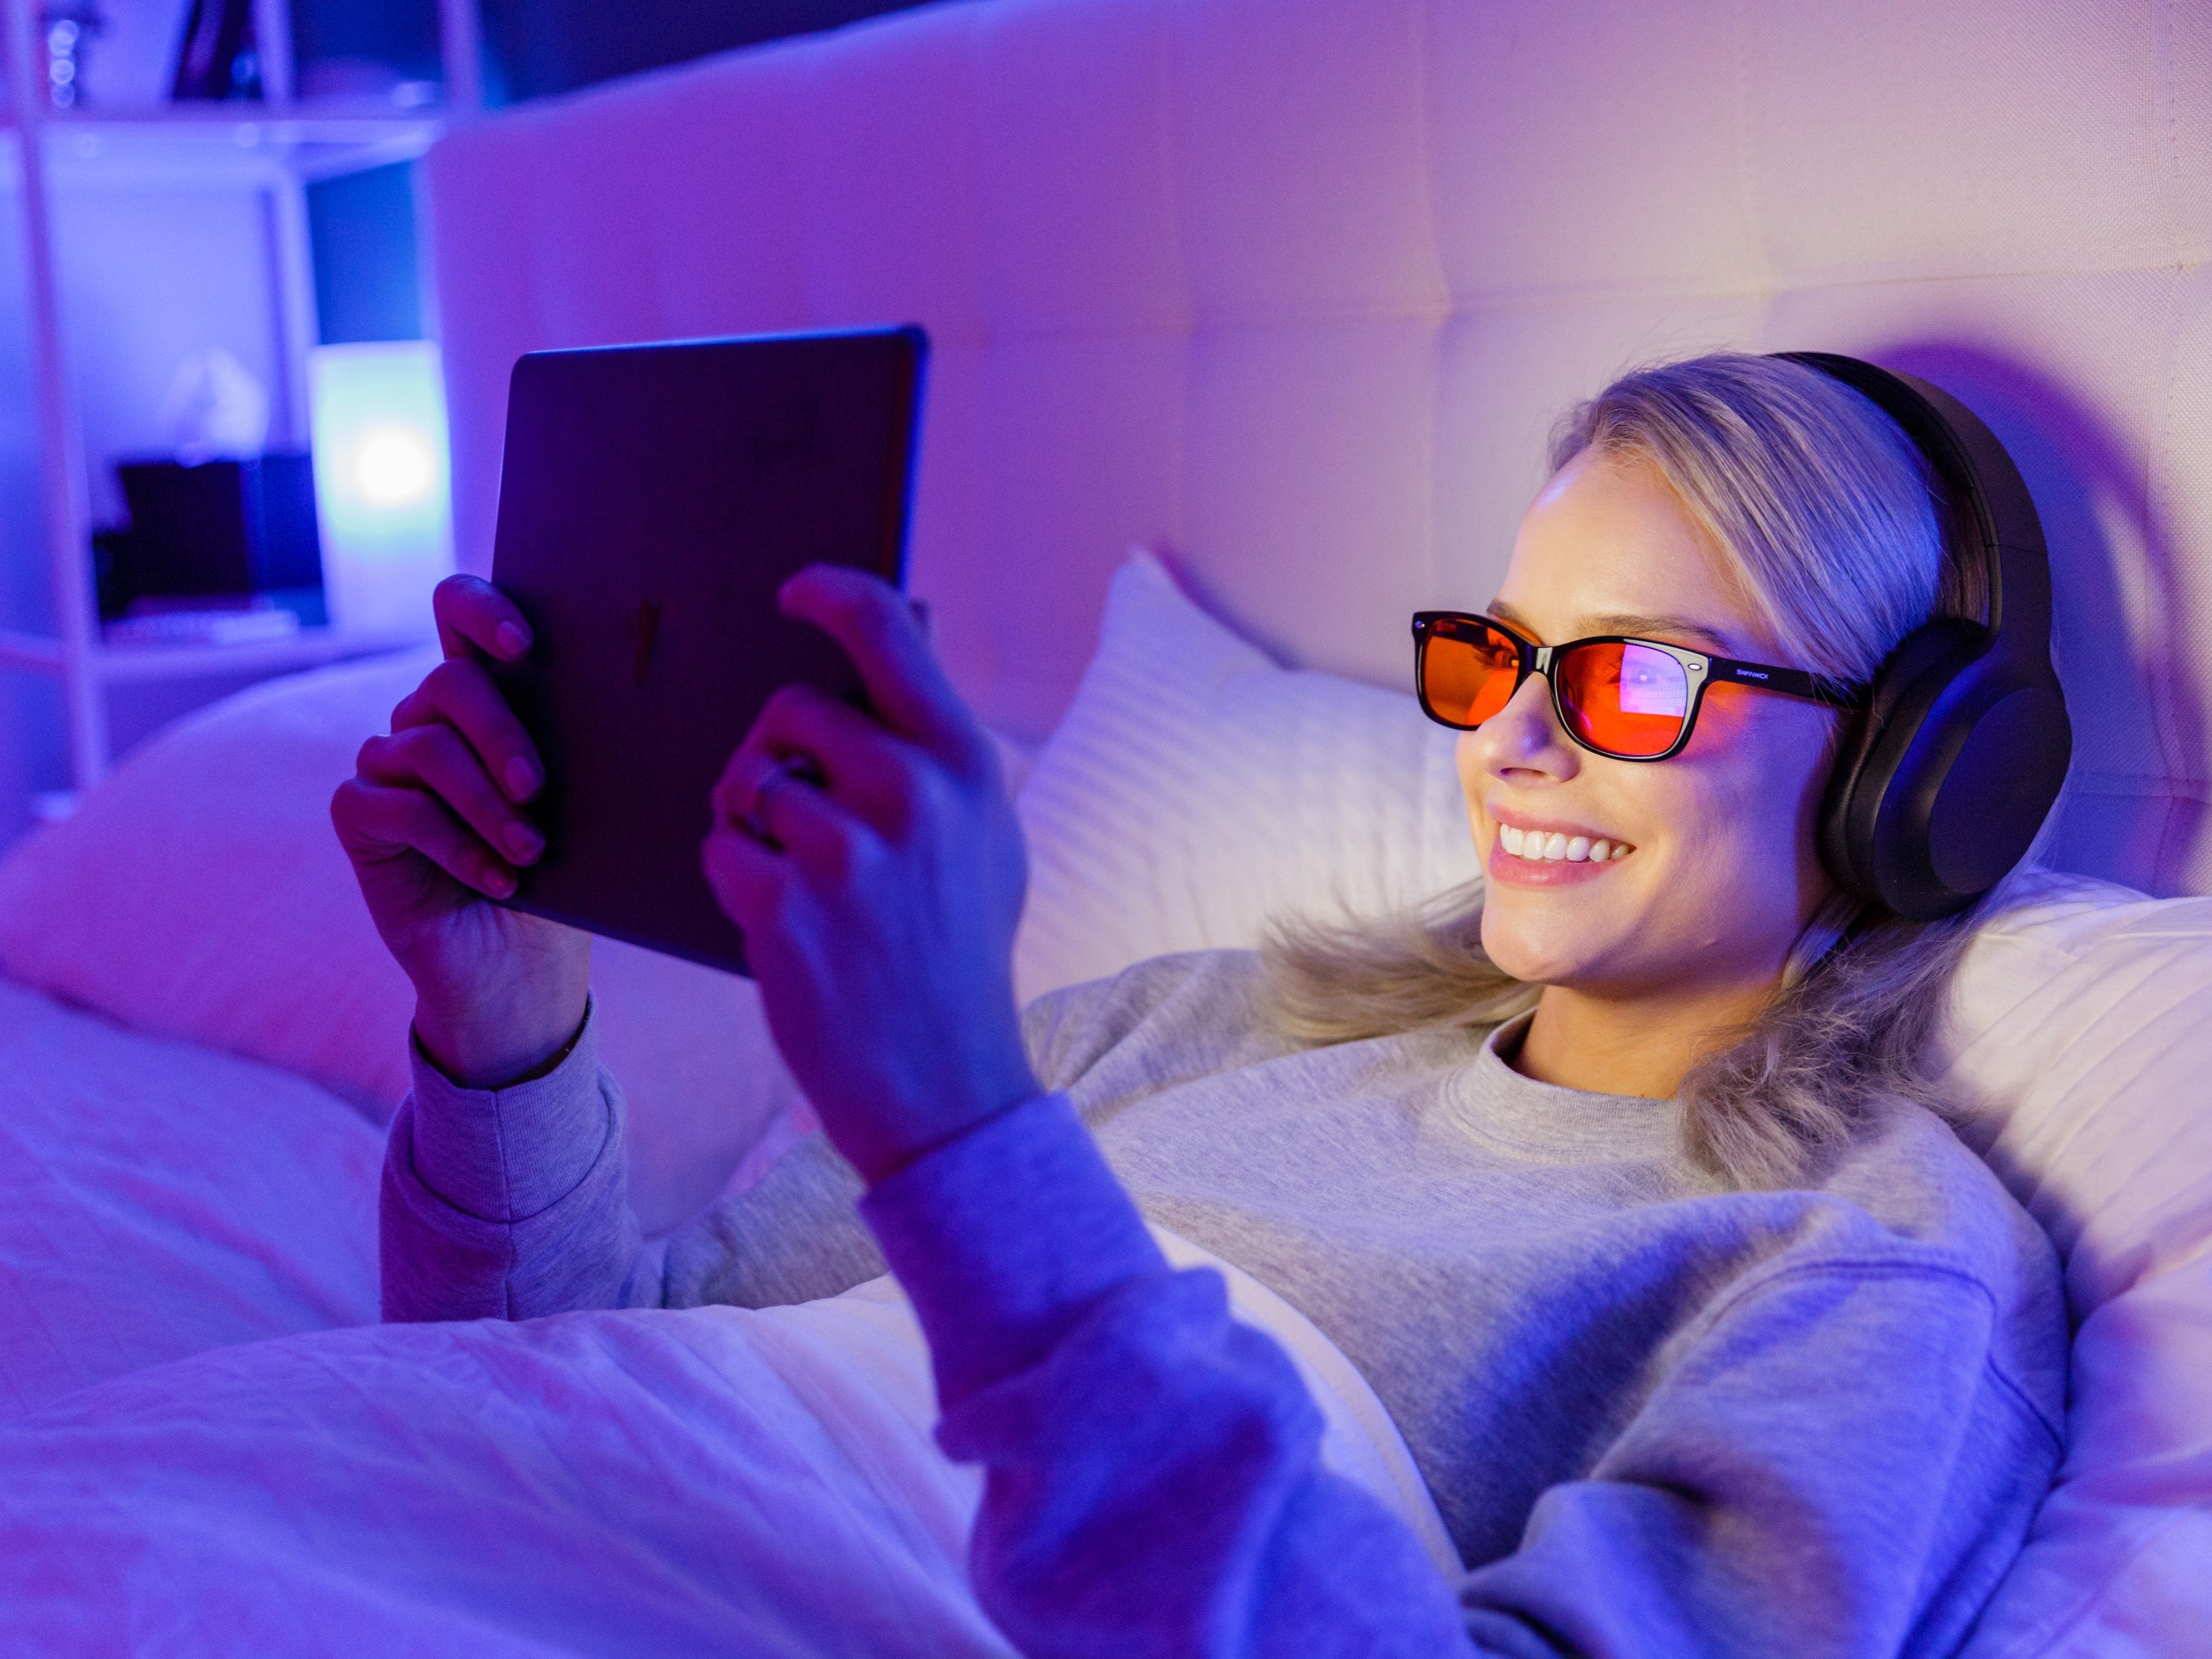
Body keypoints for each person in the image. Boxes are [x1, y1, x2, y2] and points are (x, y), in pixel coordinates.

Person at [333, 353, 2066, 1658]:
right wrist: (504, 1018)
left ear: (1912, 770)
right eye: (1500, 655)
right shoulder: (1193, 1020)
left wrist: (961, 1135)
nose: (1507, 740)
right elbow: (578, 1368)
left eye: (1629, 676)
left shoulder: (1855, 1259)